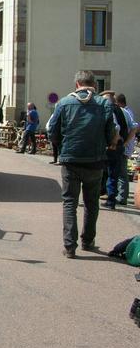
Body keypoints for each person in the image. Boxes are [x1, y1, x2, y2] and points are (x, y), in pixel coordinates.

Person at [48, 71, 115, 258]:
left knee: (70, 202)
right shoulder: (104, 104)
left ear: (77, 84)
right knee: (92, 203)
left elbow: (52, 131)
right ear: (93, 84)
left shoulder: (63, 103)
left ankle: (70, 246)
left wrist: (61, 145)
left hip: (70, 160)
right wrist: (107, 144)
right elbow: (111, 132)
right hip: (95, 161)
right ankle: (88, 240)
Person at [100, 91, 130, 210]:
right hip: (119, 146)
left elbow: (115, 127)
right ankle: (110, 198)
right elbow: (133, 127)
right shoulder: (123, 111)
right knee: (114, 174)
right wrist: (125, 142)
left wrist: (113, 141)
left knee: (107, 173)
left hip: (111, 146)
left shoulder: (108, 110)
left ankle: (110, 199)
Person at [115, 93, 138, 206]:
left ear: (119, 103)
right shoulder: (128, 111)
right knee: (121, 172)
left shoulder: (126, 112)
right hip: (126, 146)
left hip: (125, 147)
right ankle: (121, 195)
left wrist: (125, 143)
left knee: (122, 173)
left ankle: (122, 197)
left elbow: (134, 128)